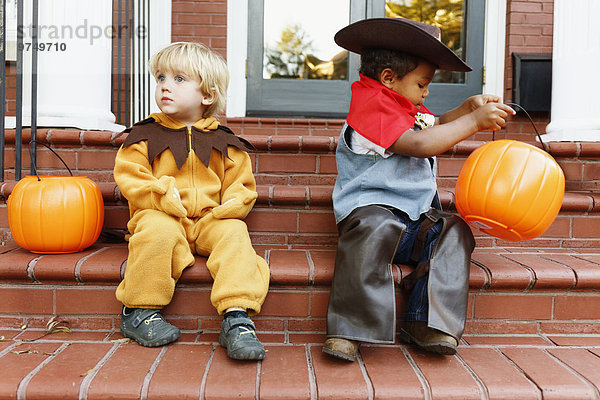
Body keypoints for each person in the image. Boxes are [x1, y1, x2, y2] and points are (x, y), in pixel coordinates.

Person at [323, 18, 515, 361]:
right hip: (370, 216)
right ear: (388, 78)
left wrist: (466, 108)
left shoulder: (405, 105)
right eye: (422, 84)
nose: (426, 93)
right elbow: (419, 142)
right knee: (375, 226)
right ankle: (350, 328)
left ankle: (426, 322)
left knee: (454, 230)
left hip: (415, 220)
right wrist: (473, 123)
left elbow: (434, 124)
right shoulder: (369, 107)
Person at [113, 42, 270, 361]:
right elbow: (130, 177)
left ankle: (237, 317)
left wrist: (231, 207)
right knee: (157, 231)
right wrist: (160, 194)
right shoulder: (144, 136)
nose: (165, 86)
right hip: (163, 216)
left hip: (209, 221)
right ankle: (139, 310)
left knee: (235, 233)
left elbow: (242, 186)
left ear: (207, 95)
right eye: (161, 78)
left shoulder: (225, 143)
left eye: (179, 79)